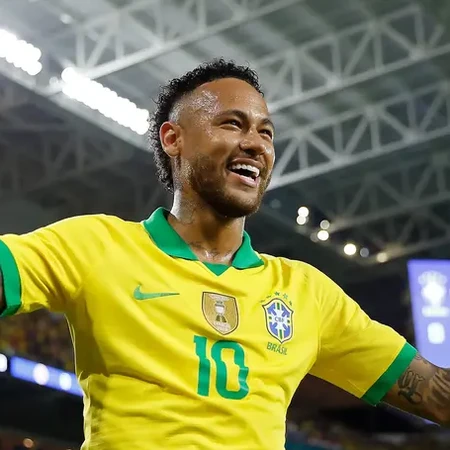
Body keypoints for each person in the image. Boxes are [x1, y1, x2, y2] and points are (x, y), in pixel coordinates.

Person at [0, 58, 448, 450]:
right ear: (173, 138)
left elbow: (434, 393)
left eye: (265, 132)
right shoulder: (97, 245)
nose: (256, 144)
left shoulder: (308, 293)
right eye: (232, 124)